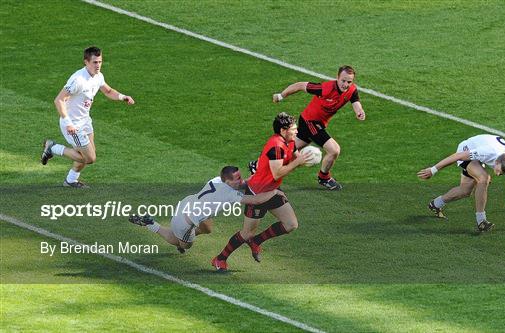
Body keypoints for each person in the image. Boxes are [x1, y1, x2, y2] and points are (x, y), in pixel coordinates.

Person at [211, 113, 311, 271]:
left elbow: (293, 158)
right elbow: (278, 173)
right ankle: (220, 258)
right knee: (246, 233)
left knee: (291, 224)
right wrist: (297, 162)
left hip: (272, 189)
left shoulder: (290, 142)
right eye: (293, 129)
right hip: (257, 192)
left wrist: (304, 159)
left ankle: (256, 241)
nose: (297, 131)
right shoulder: (276, 146)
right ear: (283, 130)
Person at [249, 65, 366, 190]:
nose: (346, 84)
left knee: (290, 150)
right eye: (343, 80)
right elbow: (300, 85)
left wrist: (359, 111)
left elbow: (355, 102)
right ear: (337, 77)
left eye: (349, 81)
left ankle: (257, 165)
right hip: (310, 122)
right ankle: (324, 177)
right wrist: (281, 95)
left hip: (317, 123)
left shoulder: (352, 90)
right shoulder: (325, 88)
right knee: (334, 150)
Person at [129, 166, 286, 252]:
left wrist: (257, 174)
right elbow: (256, 200)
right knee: (182, 244)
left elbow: (245, 184)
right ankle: (151, 224)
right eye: (237, 178)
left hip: (188, 203)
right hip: (185, 221)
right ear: (228, 181)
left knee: (208, 229)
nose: (241, 180)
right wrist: (274, 191)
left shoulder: (218, 180)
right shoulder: (229, 195)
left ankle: (183, 235)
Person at [40, 46, 135, 188]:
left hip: (85, 121)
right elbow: (58, 100)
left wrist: (122, 97)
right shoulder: (77, 79)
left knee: (86, 154)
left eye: (100, 62)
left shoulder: (98, 76)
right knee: (89, 158)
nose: (98, 65)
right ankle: (53, 148)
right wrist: (68, 123)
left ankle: (70, 181)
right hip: (73, 125)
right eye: (95, 62)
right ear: (86, 62)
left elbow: (108, 91)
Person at [417, 134, 505, 233]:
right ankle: (481, 221)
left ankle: (435, 204)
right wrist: (433, 170)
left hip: (480, 154)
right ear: (496, 161)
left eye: (502, 173)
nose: (498, 174)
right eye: (498, 170)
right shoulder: (487, 152)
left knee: (465, 191)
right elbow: (458, 156)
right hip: (467, 148)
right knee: (484, 178)